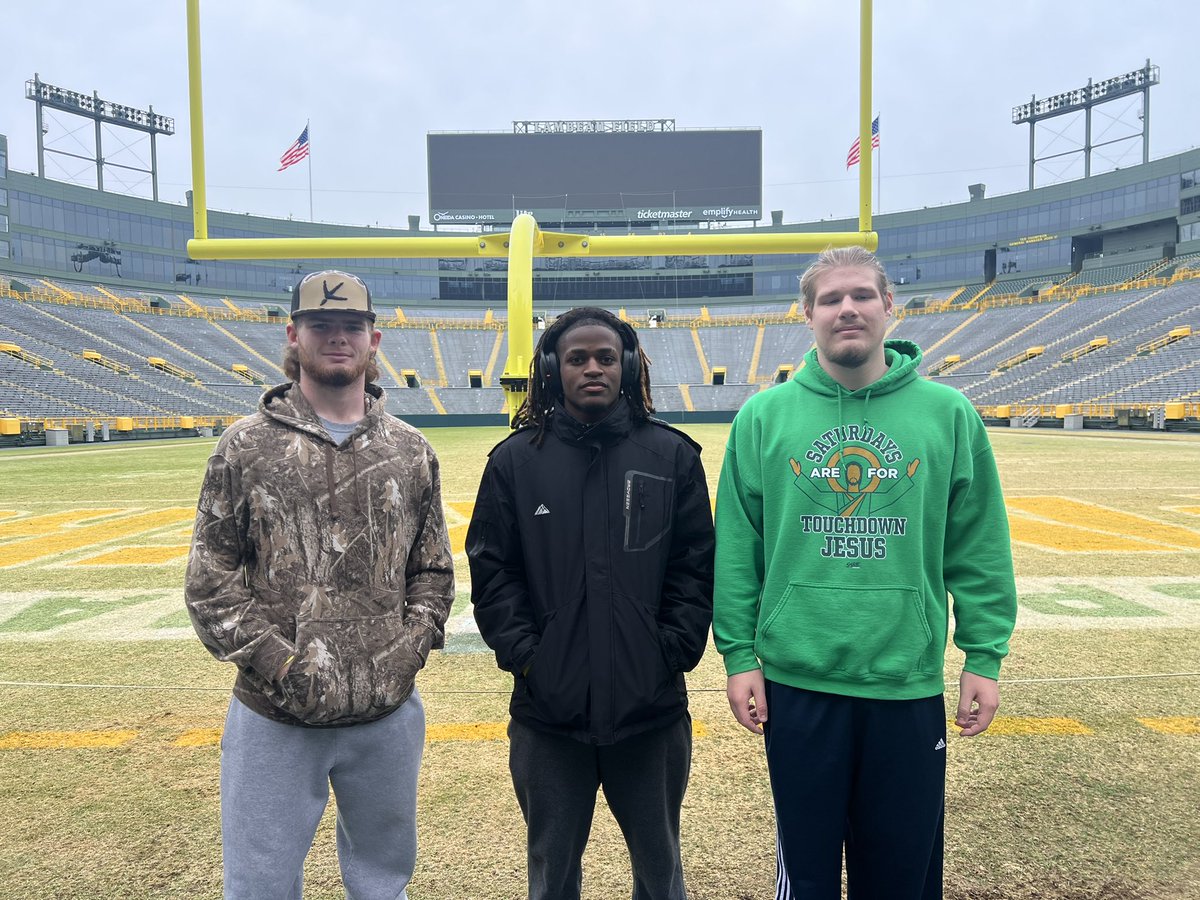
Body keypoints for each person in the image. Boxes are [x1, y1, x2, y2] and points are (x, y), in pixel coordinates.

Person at [713, 246, 1017, 900]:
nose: (846, 308)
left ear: (889, 307)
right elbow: (739, 551)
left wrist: (984, 657)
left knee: (902, 878)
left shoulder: (948, 414)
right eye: (830, 299)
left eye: (860, 295)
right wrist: (739, 656)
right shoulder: (762, 419)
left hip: (904, 686)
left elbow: (978, 546)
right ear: (808, 314)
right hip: (798, 683)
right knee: (809, 877)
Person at [185, 269, 454, 900]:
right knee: (260, 885)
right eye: (321, 326)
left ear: (374, 340)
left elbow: (433, 570)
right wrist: (282, 665)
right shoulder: (244, 447)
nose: (338, 338)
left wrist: (406, 652)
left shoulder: (411, 451)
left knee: (384, 884)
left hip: (385, 716)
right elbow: (210, 582)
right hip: (274, 716)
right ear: (293, 335)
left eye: (351, 327)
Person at [467, 306, 715, 900]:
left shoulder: (672, 456)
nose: (593, 368)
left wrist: (670, 652)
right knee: (551, 877)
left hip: (650, 713)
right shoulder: (514, 462)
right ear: (553, 368)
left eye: (606, 357)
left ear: (628, 365)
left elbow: (694, 566)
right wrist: (532, 658)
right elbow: (494, 573)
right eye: (577, 358)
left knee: (661, 874)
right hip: (548, 716)